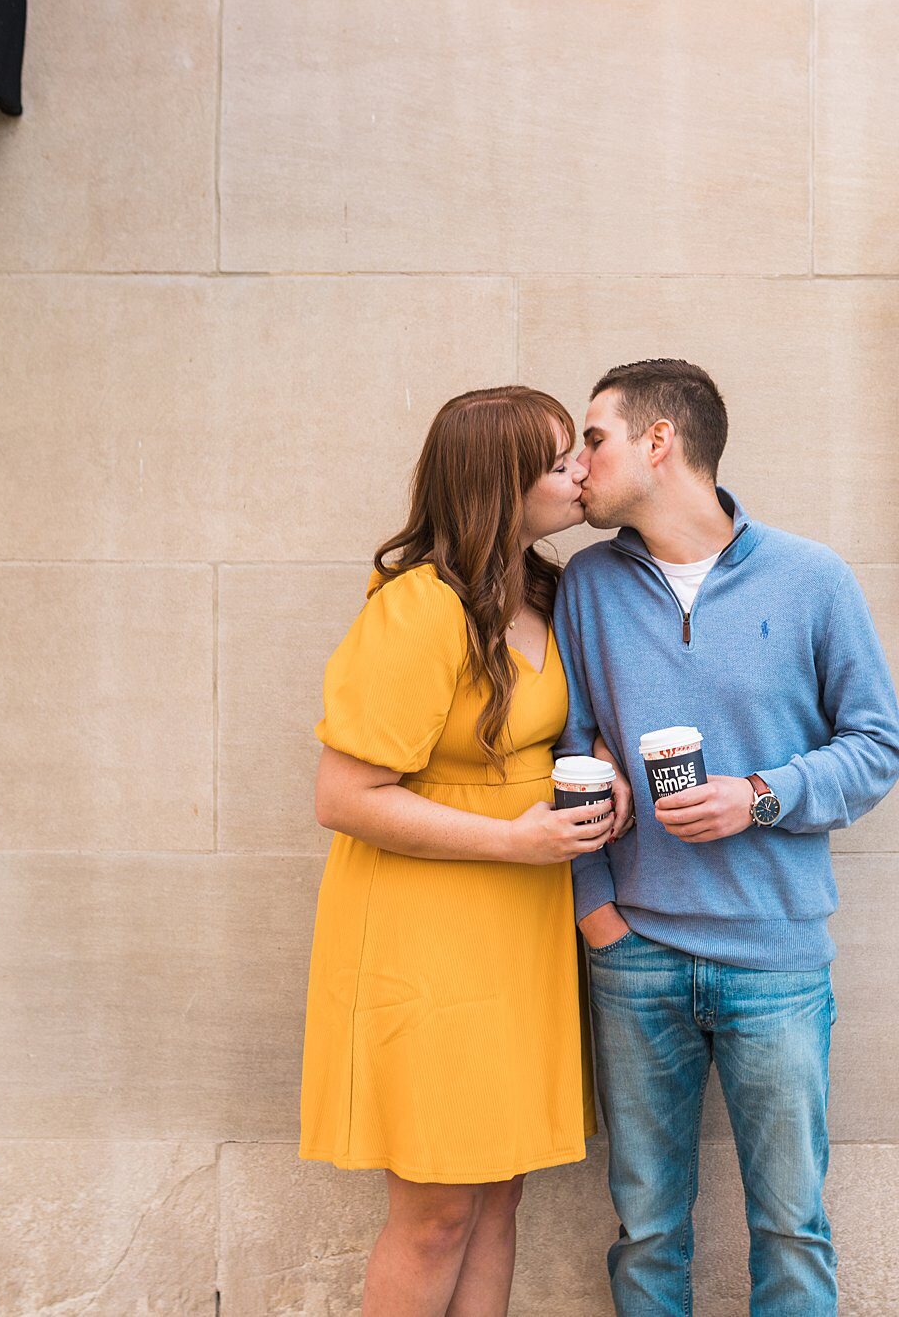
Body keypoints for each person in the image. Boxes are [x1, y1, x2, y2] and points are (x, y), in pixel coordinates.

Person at [554, 359, 899, 1315]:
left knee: (791, 1231)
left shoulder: (813, 579)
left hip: (776, 961)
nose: (579, 464)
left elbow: (877, 748)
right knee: (647, 1234)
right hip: (636, 956)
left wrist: (758, 795)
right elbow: (568, 751)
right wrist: (597, 917)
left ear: (659, 442)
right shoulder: (586, 586)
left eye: (596, 437)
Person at [301, 385, 629, 1317]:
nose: (579, 471)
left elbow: (561, 731)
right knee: (437, 1209)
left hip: (519, 931)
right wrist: (514, 838)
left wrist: (599, 774)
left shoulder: (551, 594)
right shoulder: (418, 610)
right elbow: (343, 796)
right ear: (498, 481)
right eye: (559, 458)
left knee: (500, 1190)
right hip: (427, 934)